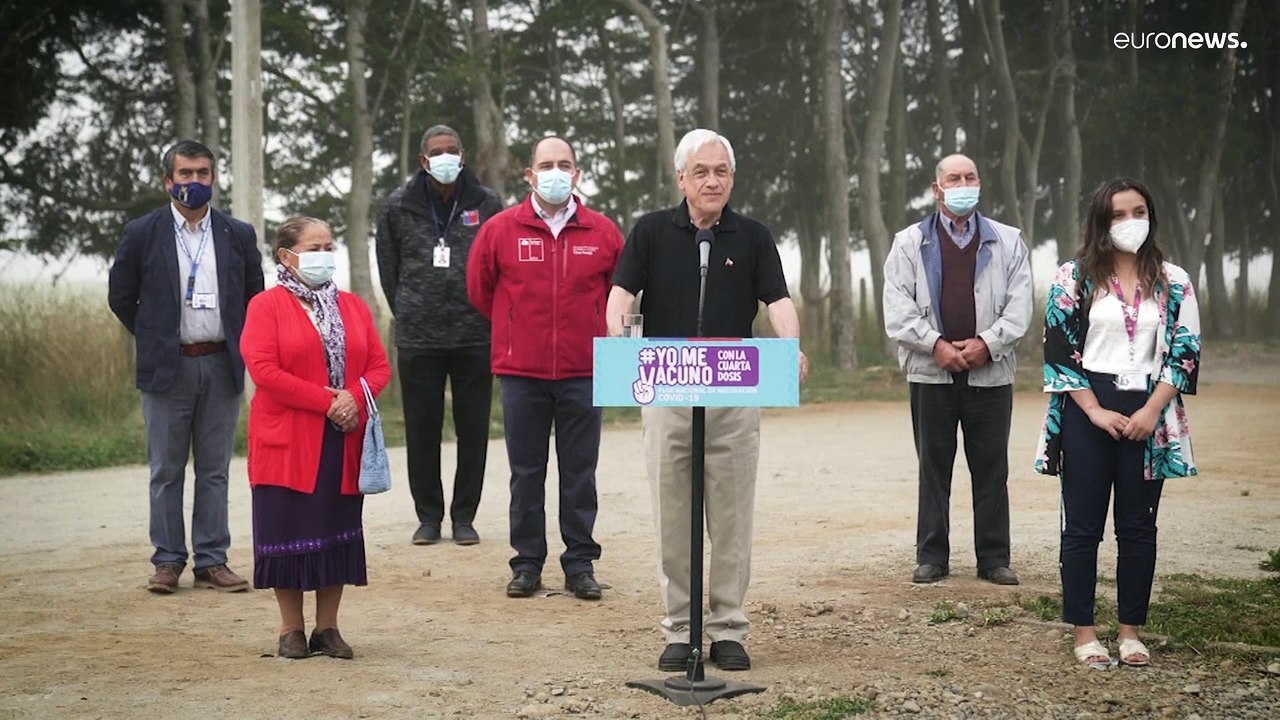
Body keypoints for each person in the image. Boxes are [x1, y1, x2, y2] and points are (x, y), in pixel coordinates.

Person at [606, 128, 807, 673]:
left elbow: (778, 301)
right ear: (681, 178)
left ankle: (726, 628)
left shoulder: (753, 236)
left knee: (731, 515)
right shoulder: (650, 232)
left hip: (734, 392)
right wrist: (623, 346)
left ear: (733, 179)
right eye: (702, 171)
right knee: (674, 513)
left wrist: (791, 349)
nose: (712, 180)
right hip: (667, 389)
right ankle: (679, 626)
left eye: (721, 171)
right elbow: (621, 295)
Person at [1034, 178, 1200, 669]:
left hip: (1151, 408)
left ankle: (1130, 631)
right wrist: (1093, 410)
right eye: (1119, 214)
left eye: (1139, 211)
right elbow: (1058, 350)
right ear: (1101, 222)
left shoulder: (1175, 280)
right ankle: (1084, 632)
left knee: (1138, 526)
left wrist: (1152, 410)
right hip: (1089, 405)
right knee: (1082, 528)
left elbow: (1186, 350)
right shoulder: (1073, 277)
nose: (1131, 222)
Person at [466, 135, 624, 601]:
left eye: (565, 164)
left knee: (580, 472)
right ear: (530, 175)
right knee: (527, 472)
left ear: (576, 174)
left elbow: (621, 293)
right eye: (546, 164)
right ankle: (527, 563)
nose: (556, 172)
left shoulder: (604, 232)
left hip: (584, 370)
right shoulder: (499, 230)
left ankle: (580, 563)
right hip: (522, 373)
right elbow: (480, 289)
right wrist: (514, 329)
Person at [108, 139, 264, 594]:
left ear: (214, 178)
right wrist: (155, 337)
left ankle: (212, 560)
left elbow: (253, 296)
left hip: (220, 365)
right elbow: (121, 296)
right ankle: (168, 560)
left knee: (215, 470)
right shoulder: (142, 232)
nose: (194, 182)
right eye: (185, 174)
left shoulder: (238, 234)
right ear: (168, 181)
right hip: (167, 369)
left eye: (202, 173)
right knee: (166, 470)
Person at [240, 217, 392, 659]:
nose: (325, 255)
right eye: (315, 247)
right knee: (285, 531)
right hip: (287, 440)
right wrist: (326, 401)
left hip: (343, 439)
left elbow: (379, 367)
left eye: (330, 246)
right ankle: (291, 630)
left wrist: (352, 401)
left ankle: (328, 628)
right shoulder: (265, 307)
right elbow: (265, 371)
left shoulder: (353, 306)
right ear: (287, 255)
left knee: (336, 530)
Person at [882, 153, 1032, 587]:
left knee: (991, 468)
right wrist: (936, 346)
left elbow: (1020, 307)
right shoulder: (908, 242)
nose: (962, 183)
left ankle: (994, 558)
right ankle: (932, 556)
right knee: (933, 466)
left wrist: (988, 343)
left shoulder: (1008, 241)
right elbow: (898, 309)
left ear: (980, 183)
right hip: (931, 373)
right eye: (953, 178)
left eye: (970, 176)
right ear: (937, 189)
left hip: (991, 373)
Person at [375, 125, 504, 547]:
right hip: (418, 338)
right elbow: (388, 270)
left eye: (453, 150)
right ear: (423, 160)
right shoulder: (396, 206)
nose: (446, 157)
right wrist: (411, 311)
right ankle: (428, 517)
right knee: (422, 430)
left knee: (473, 431)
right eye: (438, 152)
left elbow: (498, 266)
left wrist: (487, 316)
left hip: (474, 335)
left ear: (462, 155)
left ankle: (464, 517)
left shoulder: (487, 203)